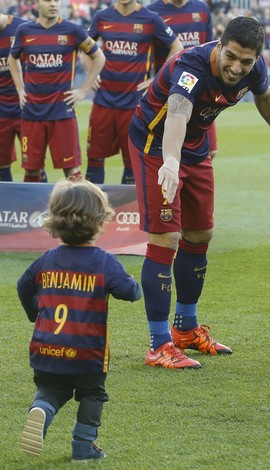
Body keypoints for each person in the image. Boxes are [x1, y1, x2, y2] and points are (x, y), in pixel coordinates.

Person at [128, 16, 270, 369]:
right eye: (231, 57)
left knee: (201, 233)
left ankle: (185, 330)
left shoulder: (253, 67)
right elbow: (177, 112)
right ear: (219, 45)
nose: (237, 68)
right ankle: (158, 344)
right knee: (165, 239)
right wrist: (170, 163)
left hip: (195, 145)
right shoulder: (190, 65)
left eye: (246, 62)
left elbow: (266, 98)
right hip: (155, 146)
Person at [16, 179, 142, 461]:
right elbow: (129, 292)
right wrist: (134, 285)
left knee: (50, 390)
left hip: (46, 348)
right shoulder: (104, 262)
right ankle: (83, 446)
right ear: (100, 219)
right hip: (88, 352)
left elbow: (23, 286)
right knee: (92, 394)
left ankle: (43, 410)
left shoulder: (46, 260)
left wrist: (35, 313)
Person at [85, 0, 183, 185]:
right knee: (94, 158)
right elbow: (85, 48)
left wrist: (157, 79)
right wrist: (92, 73)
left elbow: (177, 47)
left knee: (131, 160)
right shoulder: (101, 17)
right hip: (103, 101)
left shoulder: (150, 19)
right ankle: (92, 211)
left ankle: (128, 211)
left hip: (134, 104)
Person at [8, 0, 105, 182]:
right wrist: (20, 89)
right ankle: (34, 211)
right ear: (37, 4)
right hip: (32, 113)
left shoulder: (72, 30)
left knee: (72, 171)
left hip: (63, 113)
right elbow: (12, 59)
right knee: (31, 171)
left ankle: (77, 211)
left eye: (56, 0)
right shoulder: (24, 31)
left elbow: (98, 56)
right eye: (47, 0)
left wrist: (83, 90)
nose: (53, 4)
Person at [147, 0, 219, 159]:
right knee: (167, 150)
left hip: (202, 92)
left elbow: (211, 48)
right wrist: (149, 78)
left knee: (209, 152)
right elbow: (144, 53)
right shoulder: (152, 12)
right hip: (169, 92)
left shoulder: (201, 9)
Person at [0, 12, 28, 181]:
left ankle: (41, 207)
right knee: (2, 166)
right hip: (1, 111)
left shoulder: (23, 28)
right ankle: (4, 207)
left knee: (34, 165)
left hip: (26, 107)